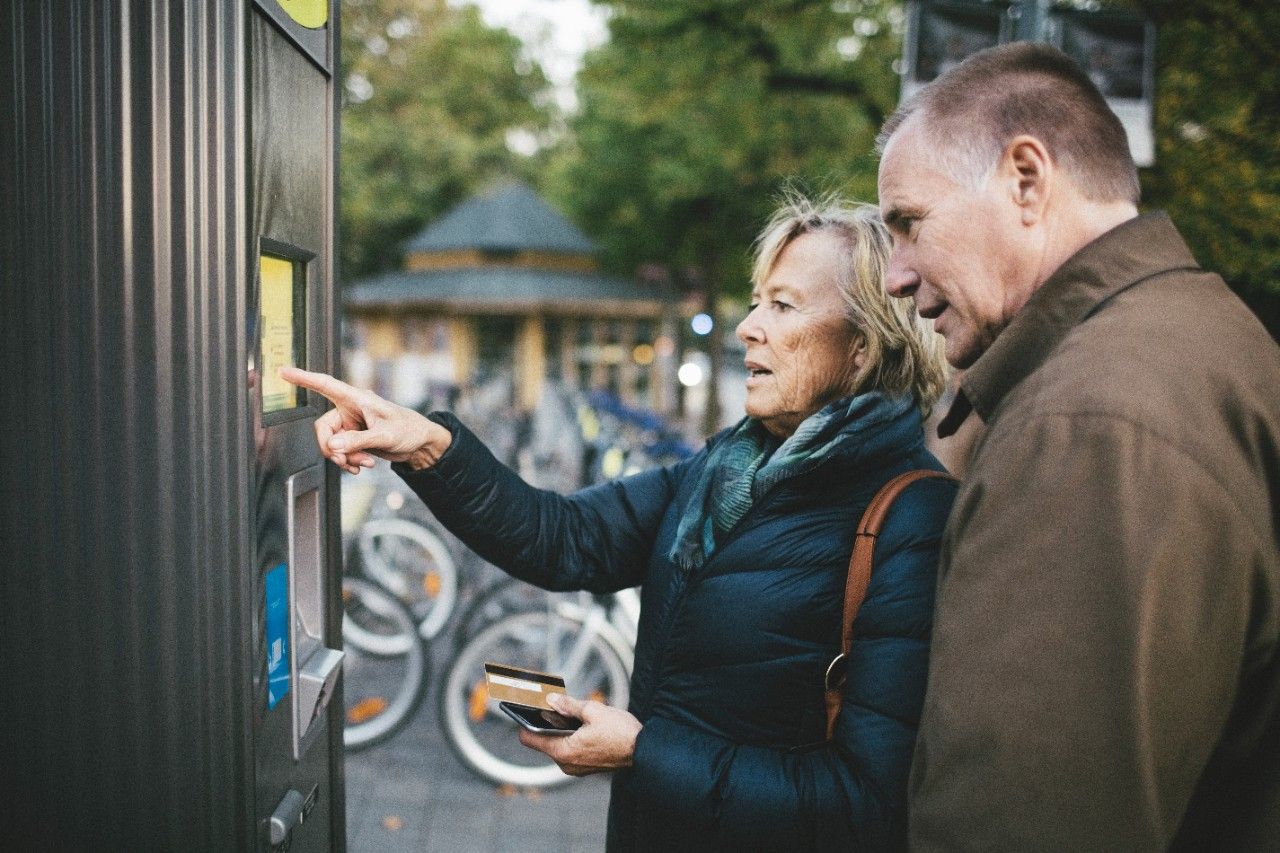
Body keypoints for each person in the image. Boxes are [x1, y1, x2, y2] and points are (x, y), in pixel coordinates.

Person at [284, 195, 957, 850]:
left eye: (782, 305)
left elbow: (864, 802)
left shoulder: (912, 518)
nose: (748, 326)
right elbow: (563, 539)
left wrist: (643, 750)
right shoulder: (725, 468)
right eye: (756, 301)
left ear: (863, 346)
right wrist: (429, 446)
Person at [875, 42, 1280, 850]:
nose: (895, 275)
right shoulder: (1209, 339)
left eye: (910, 224)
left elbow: (1021, 820)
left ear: (1026, 179)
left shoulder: (1085, 425)